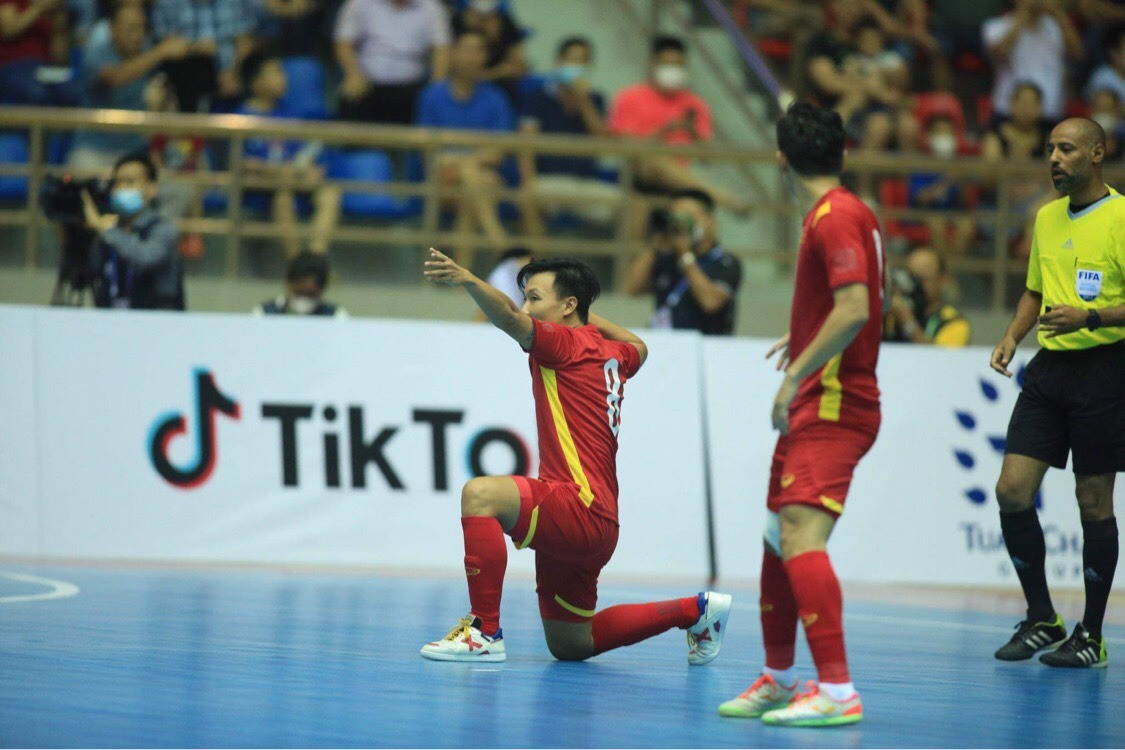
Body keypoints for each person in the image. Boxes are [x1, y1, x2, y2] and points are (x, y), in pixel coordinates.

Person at [419, 249, 733, 664]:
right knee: (571, 644)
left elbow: (510, 321)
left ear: (566, 306)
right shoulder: (615, 355)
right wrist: (581, 311)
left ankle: (483, 631)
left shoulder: (562, 344)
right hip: (598, 524)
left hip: (577, 506)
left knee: (481, 495)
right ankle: (696, 610)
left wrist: (469, 281)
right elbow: (639, 344)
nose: (526, 307)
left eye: (533, 298)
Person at [718, 102, 884, 726]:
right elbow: (855, 305)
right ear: (843, 152)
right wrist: (810, 334)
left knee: (800, 539)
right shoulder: (842, 212)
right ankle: (781, 678)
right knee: (774, 538)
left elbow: (856, 308)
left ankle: (838, 691)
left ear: (780, 158)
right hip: (824, 396)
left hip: (836, 403)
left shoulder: (834, 216)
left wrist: (794, 374)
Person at [988, 117, 1124, 669]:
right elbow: (1035, 289)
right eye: (1049, 149)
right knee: (1012, 491)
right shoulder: (1045, 218)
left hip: (1107, 368)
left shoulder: (1121, 215)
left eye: (1066, 149)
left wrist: (1090, 314)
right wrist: (1012, 335)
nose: (1054, 159)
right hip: (1050, 369)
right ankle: (1043, 617)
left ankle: (1091, 635)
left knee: (1092, 499)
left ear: (1097, 153)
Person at [609, 36, 749, 217]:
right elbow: (626, 144)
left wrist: (693, 132)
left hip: (680, 176)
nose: (673, 70)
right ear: (653, 64)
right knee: (654, 162)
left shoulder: (695, 104)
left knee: (692, 210)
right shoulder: (629, 97)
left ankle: (703, 197)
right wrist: (665, 130)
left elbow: (707, 158)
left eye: (678, 65)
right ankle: (720, 196)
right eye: (667, 64)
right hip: (639, 175)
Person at [415, 28, 514, 256]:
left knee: (471, 190)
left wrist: (462, 162)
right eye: (465, 50)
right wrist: (467, 161)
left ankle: (461, 279)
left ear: (485, 58)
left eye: (477, 51)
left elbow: (496, 154)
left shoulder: (496, 99)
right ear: (453, 54)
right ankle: (499, 241)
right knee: (478, 181)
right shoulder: (432, 96)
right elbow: (428, 152)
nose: (471, 57)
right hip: (440, 181)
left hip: (477, 180)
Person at [238, 50, 341, 256]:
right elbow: (242, 162)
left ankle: (314, 260)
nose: (283, 79)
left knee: (330, 193)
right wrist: (277, 171)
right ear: (255, 82)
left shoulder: (292, 114)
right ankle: (295, 263)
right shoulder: (240, 118)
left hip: (294, 178)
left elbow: (309, 151)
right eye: (275, 73)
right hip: (262, 182)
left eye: (282, 73)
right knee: (283, 197)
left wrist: (310, 170)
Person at [68, 3, 189, 170]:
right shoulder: (96, 52)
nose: (138, 35)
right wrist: (159, 52)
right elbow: (116, 77)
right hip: (95, 149)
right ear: (113, 28)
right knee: (81, 181)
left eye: (141, 28)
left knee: (181, 187)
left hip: (136, 152)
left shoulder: (148, 51)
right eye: (131, 28)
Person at [517, 36, 619, 234]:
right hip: (547, 180)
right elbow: (526, 143)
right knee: (528, 197)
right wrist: (527, 182)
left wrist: (583, 101)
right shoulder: (537, 97)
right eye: (572, 60)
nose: (576, 66)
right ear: (558, 63)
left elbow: (604, 142)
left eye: (583, 62)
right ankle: (536, 265)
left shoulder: (595, 100)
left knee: (635, 206)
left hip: (586, 184)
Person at [624, 190, 742, 335]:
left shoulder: (725, 262)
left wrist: (685, 255)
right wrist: (655, 243)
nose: (680, 223)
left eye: (688, 217)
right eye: (675, 217)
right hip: (663, 343)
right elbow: (632, 288)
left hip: (705, 347)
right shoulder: (667, 258)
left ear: (710, 221)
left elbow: (711, 302)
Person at [82, 152, 185, 310]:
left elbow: (147, 258)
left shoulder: (163, 229)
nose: (121, 188)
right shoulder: (108, 228)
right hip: (111, 320)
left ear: (151, 189)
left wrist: (108, 231)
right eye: (117, 182)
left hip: (155, 322)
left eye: (130, 182)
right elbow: (90, 273)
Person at [334, 0, 451, 125]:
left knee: (431, 101)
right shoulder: (359, 3)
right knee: (349, 95)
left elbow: (442, 50)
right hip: (366, 84)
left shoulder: (431, 8)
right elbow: (343, 43)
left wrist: (435, 88)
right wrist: (353, 75)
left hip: (411, 88)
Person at [983, 0, 1082, 122]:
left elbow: (1077, 53)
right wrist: (1023, 15)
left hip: (1050, 109)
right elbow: (999, 53)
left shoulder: (1057, 27)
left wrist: (1058, 13)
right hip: (1008, 109)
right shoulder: (997, 25)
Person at [150, 0, 257, 111]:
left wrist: (234, 74)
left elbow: (245, 42)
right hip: (184, 77)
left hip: (231, 77)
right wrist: (196, 49)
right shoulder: (167, 4)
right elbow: (165, 48)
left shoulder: (235, 3)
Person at [884, 247, 971, 346]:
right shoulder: (891, 314)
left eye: (923, 278)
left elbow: (941, 359)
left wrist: (907, 321)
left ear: (942, 280)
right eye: (911, 277)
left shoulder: (954, 323)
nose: (915, 285)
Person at [0, 0, 81, 106]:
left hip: (45, 67)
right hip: (12, 66)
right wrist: (38, 8)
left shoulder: (52, 10)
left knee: (73, 90)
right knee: (37, 92)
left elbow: (60, 58)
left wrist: (59, 26)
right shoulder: (12, 2)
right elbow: (8, 31)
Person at [450, 0, 527, 104]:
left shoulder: (505, 21)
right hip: (461, 83)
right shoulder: (457, 21)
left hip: (500, 85)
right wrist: (498, 72)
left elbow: (518, 68)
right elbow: (450, 64)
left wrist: (492, 37)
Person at [253, 251, 347, 317]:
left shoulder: (336, 316)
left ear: (322, 290)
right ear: (288, 284)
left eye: (311, 295)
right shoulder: (264, 314)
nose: (304, 299)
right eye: (299, 293)